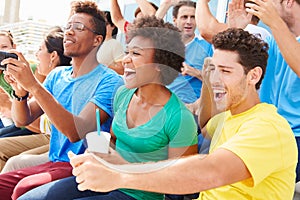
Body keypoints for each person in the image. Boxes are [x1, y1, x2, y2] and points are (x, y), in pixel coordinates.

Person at [62, 28, 297, 199]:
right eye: (213, 69)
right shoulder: (228, 117)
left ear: (253, 76)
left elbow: (210, 171)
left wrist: (119, 175)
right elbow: (205, 124)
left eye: (225, 71)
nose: (216, 78)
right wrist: (208, 82)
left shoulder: (268, 127)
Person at [18, 15, 198, 200]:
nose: (125, 60)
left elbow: (183, 184)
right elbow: (112, 140)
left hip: (138, 195)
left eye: (135, 54)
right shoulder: (123, 95)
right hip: (105, 181)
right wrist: (96, 150)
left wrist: (122, 167)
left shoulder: (180, 118)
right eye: (127, 52)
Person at [0, 1, 123, 199]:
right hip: (54, 161)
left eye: (79, 28)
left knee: (23, 189)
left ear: (97, 40)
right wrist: (19, 93)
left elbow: (76, 132)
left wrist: (33, 86)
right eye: (68, 27)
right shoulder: (58, 75)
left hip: (83, 165)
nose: (69, 32)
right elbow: (22, 120)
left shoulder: (109, 81)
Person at [242, 0, 300, 183]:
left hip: (294, 136)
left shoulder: (279, 33)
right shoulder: (274, 38)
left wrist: (275, 22)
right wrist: (235, 28)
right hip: (268, 128)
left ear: (289, 2)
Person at [0, 26, 72, 173]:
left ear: (53, 56)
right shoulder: (53, 78)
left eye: (40, 49)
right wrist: (19, 93)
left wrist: (12, 101)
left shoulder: (35, 71)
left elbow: (38, 124)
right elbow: (22, 119)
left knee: (12, 159)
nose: (36, 54)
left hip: (53, 138)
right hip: (44, 133)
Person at [97, 11, 125, 75]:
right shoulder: (94, 44)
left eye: (105, 24)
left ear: (113, 26)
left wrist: (102, 67)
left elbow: (122, 70)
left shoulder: (114, 44)